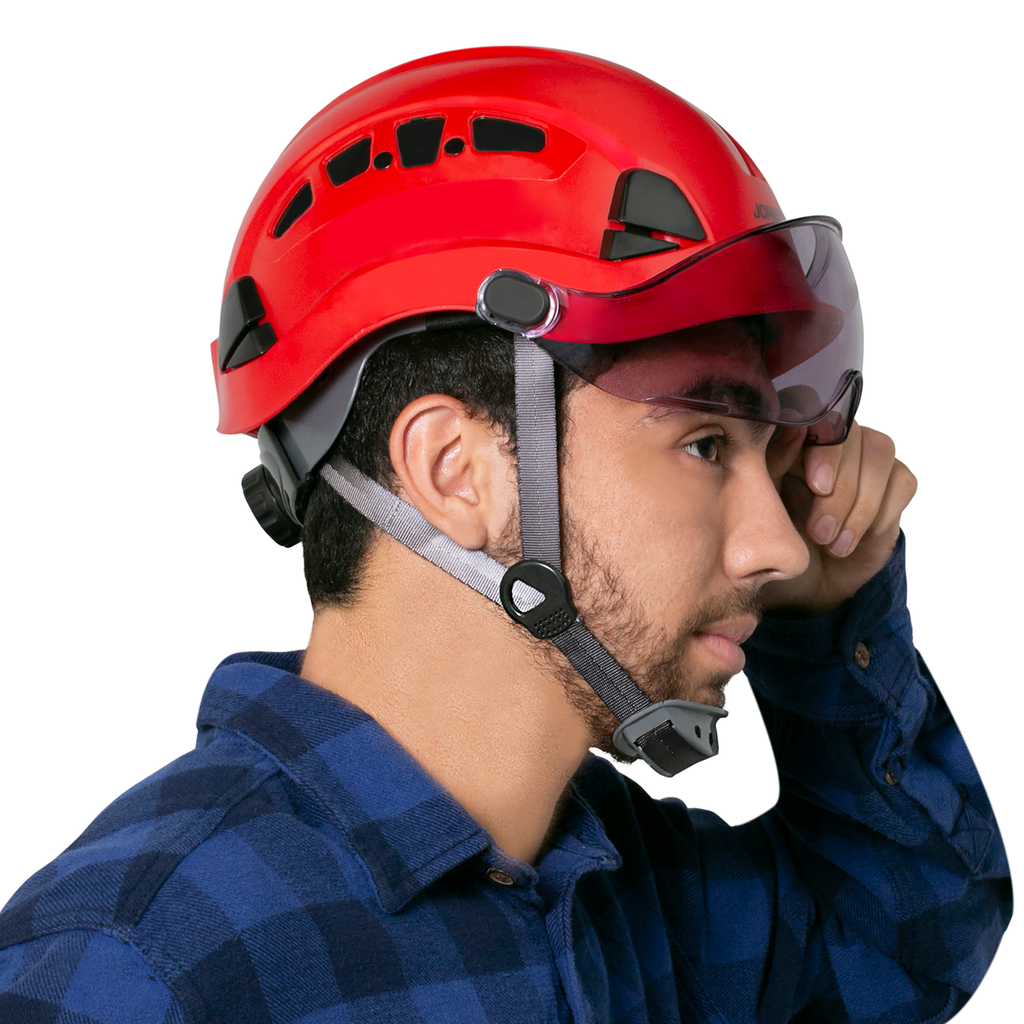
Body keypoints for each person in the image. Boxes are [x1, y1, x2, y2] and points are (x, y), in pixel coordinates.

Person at [0, 46, 1010, 1024]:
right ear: (455, 472)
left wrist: (835, 617)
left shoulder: (629, 897)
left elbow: (898, 946)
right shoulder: (130, 968)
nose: (778, 544)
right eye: (704, 444)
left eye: (766, 456)